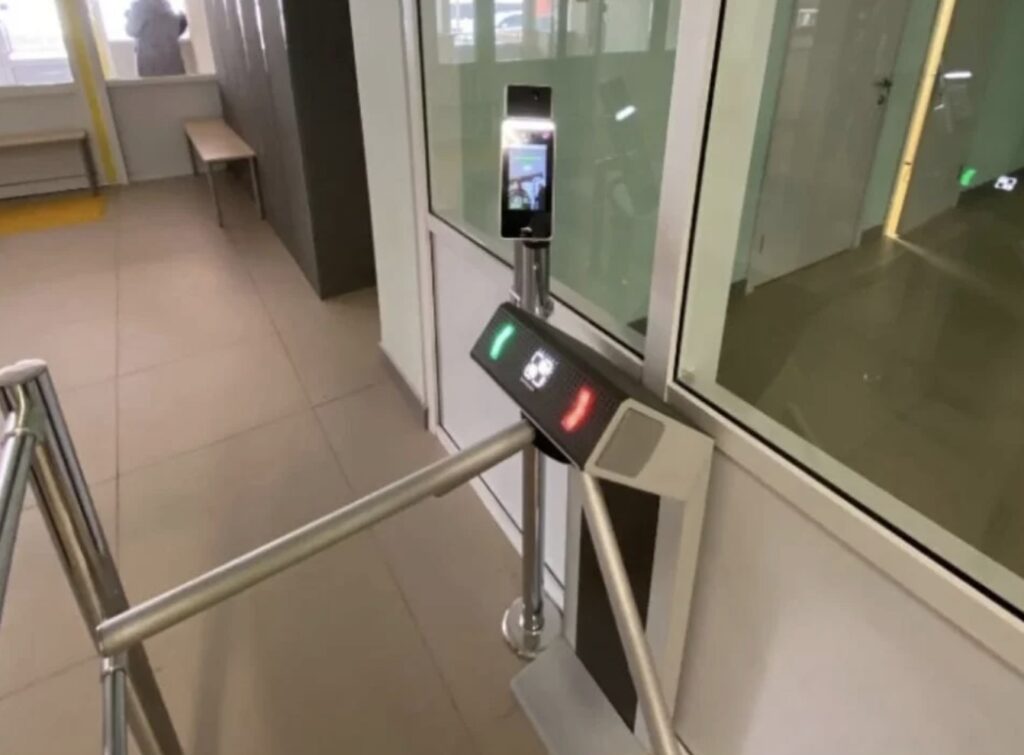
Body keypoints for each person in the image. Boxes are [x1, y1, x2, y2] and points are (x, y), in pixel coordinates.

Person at [125, 0, 188, 77]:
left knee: (153, 83)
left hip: (150, 61)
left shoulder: (139, 6)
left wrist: (129, 17)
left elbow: (131, 30)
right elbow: (177, 30)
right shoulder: (167, 6)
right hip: (172, 61)